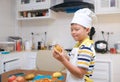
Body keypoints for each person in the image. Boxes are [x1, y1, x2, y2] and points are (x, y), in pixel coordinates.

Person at [53, 8, 96, 82]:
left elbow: (80, 74)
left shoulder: (86, 48)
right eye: (71, 30)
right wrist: (62, 56)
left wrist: (63, 60)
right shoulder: (78, 45)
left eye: (76, 29)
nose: (73, 32)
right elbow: (72, 61)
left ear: (87, 30)